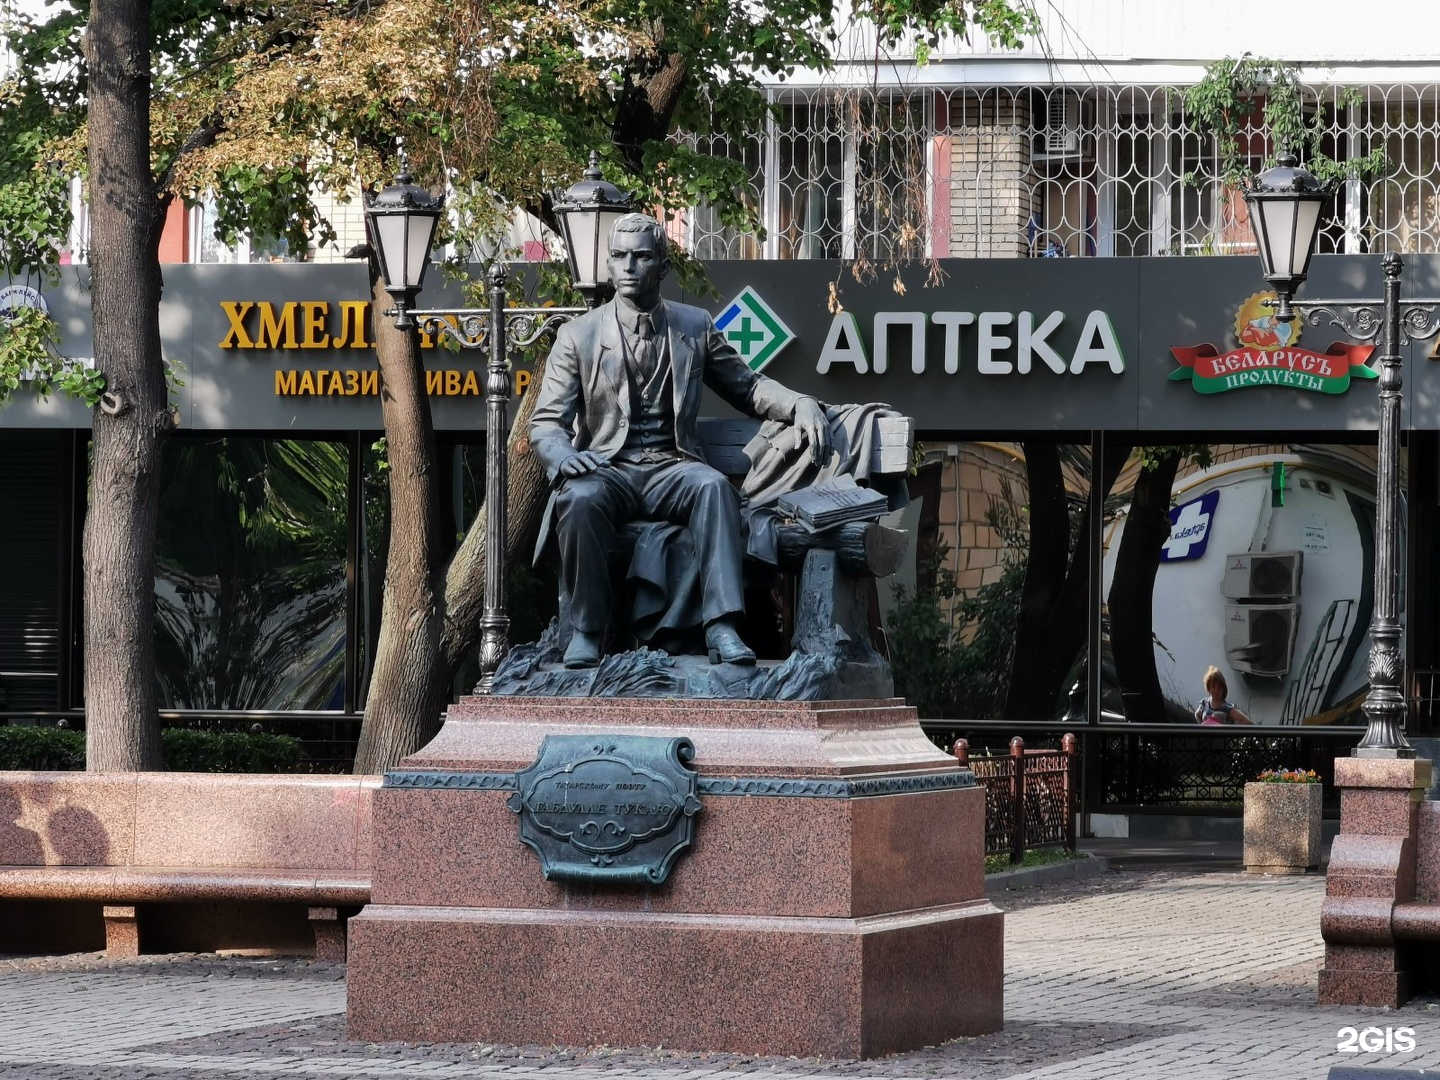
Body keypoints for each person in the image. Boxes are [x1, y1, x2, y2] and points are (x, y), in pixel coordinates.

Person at [529, 212, 831, 669]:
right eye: (619, 257)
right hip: (611, 467)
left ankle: (722, 627)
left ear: (663, 268)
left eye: (642, 256)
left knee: (713, 488)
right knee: (580, 498)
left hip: (673, 466)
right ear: (609, 266)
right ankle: (586, 631)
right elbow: (547, 422)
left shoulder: (694, 326)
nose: (629, 266)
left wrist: (798, 403)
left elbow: (746, 387)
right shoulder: (578, 336)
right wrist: (564, 455)